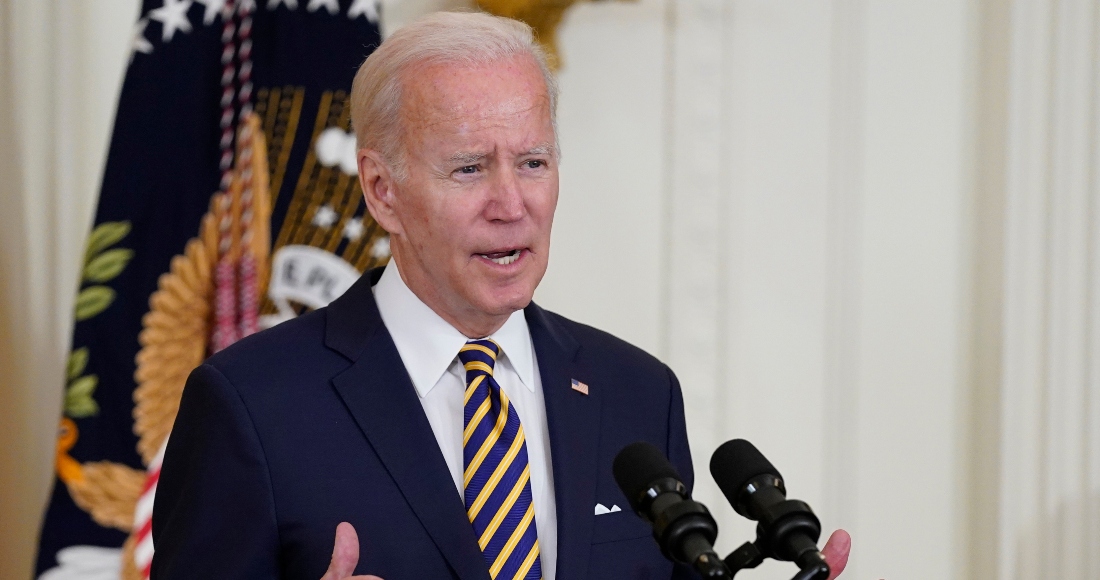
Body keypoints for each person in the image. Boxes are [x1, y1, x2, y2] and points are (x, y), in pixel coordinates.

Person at [151, 11, 851, 580]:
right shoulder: (251, 406)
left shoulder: (637, 394)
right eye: (468, 168)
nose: (511, 204)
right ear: (381, 190)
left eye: (533, 162)